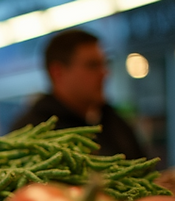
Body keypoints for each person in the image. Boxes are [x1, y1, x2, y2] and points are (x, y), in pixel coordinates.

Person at [10, 29, 146, 159]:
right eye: (92, 65)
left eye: (105, 64)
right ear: (58, 73)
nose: (104, 73)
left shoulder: (116, 122)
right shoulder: (28, 132)